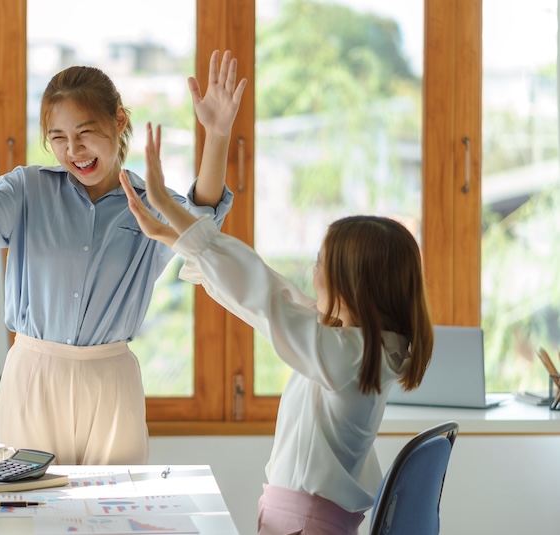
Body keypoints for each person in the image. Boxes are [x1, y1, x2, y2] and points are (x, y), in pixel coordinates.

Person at [0, 43, 246, 465]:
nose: (74, 150)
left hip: (111, 376)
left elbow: (201, 228)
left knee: (116, 512)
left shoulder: (148, 201)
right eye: (59, 138)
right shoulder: (27, 189)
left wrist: (217, 135)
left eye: (85, 133)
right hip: (33, 373)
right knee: (28, 513)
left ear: (118, 119)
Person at [119, 123, 434, 535]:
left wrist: (170, 208)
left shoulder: (345, 355)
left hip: (302, 525)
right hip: (309, 520)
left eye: (321, 264)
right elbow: (270, 298)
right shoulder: (363, 346)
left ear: (354, 285)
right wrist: (172, 234)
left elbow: (264, 297)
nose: (313, 272)